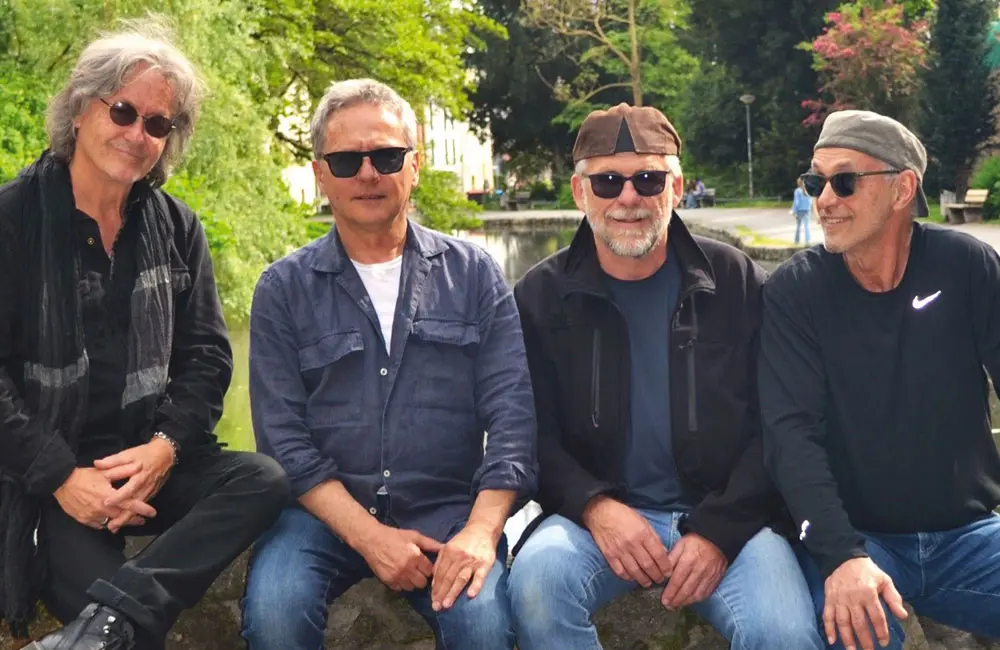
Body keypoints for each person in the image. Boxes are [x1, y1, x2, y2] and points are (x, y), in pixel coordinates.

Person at [0, 20, 290, 650]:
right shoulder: (13, 219)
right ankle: (116, 620)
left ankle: (105, 620)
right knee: (131, 638)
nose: (137, 135)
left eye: (158, 124)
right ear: (82, 109)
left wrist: (164, 449)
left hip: (148, 464)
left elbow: (207, 361)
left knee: (263, 479)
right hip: (55, 481)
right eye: (124, 112)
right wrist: (61, 476)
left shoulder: (178, 227)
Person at [507, 102, 823, 650]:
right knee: (537, 585)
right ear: (580, 193)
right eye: (607, 182)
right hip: (592, 521)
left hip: (728, 517)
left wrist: (719, 531)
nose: (628, 198)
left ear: (676, 189)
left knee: (785, 633)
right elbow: (529, 433)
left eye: (649, 179)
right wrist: (594, 506)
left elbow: (780, 422)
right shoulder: (540, 296)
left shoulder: (737, 282)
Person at [242, 78, 537, 650]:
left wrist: (482, 530)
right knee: (275, 614)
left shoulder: (475, 275)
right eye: (346, 161)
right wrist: (371, 537)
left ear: (414, 165)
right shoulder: (282, 289)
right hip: (321, 520)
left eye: (386, 156)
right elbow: (281, 441)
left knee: (484, 626)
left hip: (448, 513)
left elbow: (513, 420)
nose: (368, 174)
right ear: (320, 173)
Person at [759, 109, 1000, 650]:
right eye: (816, 182)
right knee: (858, 633)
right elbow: (790, 437)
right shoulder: (795, 293)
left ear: (902, 189)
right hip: (858, 541)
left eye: (844, 181)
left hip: (970, 538)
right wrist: (840, 555)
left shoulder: (967, 266)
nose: (824, 199)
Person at [792, 176, 813, 245]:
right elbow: (810, 201)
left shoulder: (797, 191)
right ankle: (808, 241)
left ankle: (796, 241)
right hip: (807, 210)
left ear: (798, 183)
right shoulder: (808, 190)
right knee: (807, 226)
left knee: (798, 226)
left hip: (799, 211)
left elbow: (796, 202)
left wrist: (794, 211)